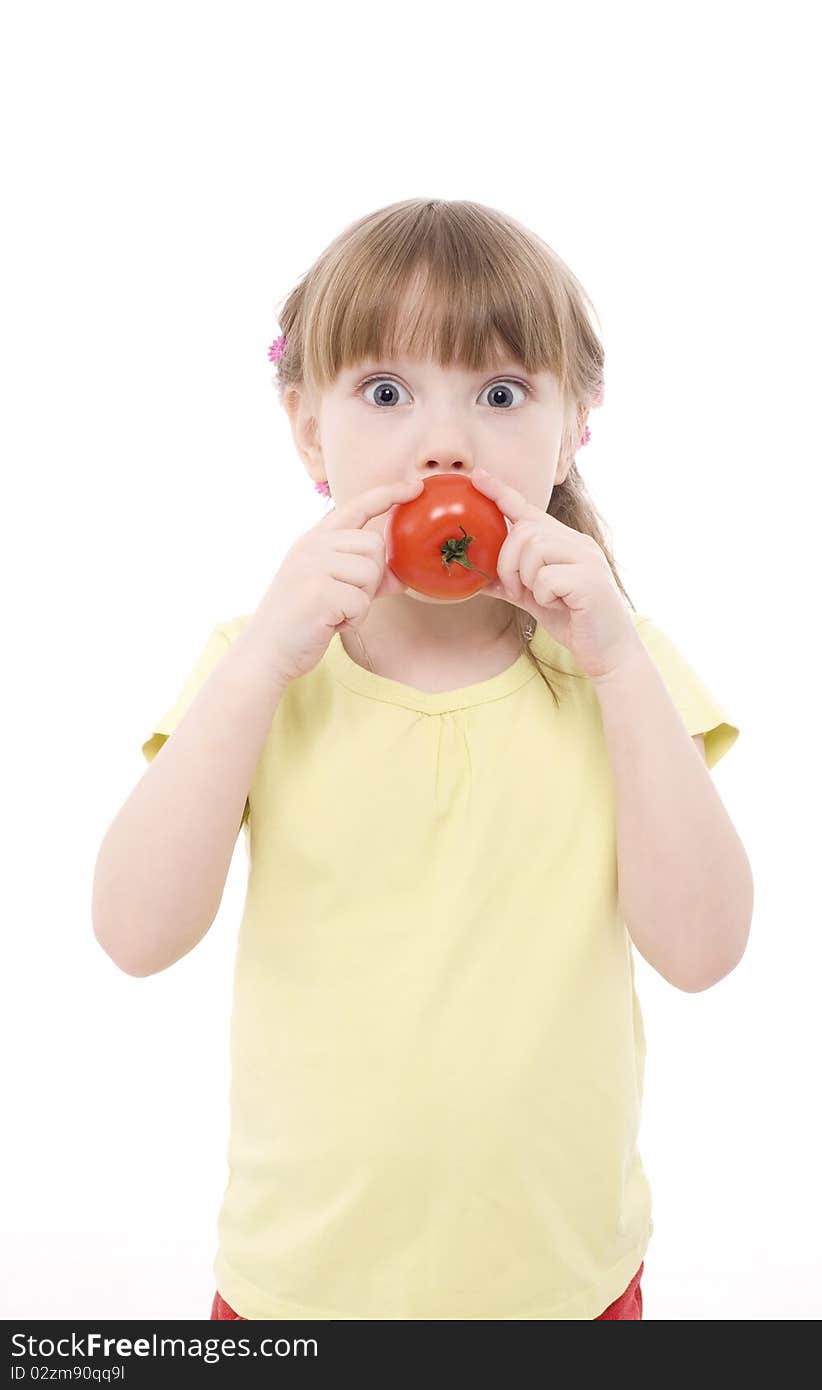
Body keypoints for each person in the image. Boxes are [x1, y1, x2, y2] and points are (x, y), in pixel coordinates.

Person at [92, 198, 751, 1321]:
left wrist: (616, 665)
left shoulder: (620, 668)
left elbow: (701, 951)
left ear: (573, 424)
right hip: (296, 1293)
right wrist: (260, 663)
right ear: (308, 428)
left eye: (499, 394)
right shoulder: (254, 671)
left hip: (565, 1287)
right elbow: (134, 934)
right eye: (386, 392)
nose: (444, 443)